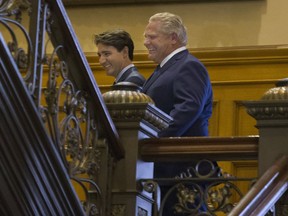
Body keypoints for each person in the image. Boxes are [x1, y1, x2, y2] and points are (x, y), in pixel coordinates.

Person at [142, 12, 217, 214]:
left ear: (173, 38)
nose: (145, 42)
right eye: (145, 37)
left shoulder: (188, 66)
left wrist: (150, 139)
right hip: (166, 169)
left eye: (151, 37)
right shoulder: (163, 69)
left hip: (182, 169)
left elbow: (188, 108)